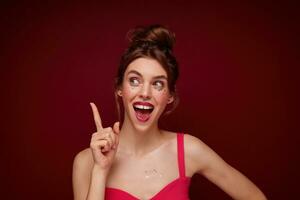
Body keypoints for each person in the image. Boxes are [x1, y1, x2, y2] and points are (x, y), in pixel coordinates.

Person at [72, 24, 267, 200]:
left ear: (170, 96)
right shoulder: (86, 162)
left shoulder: (188, 150)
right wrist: (100, 170)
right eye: (134, 80)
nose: (145, 93)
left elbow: (254, 196)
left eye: (157, 84)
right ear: (120, 88)